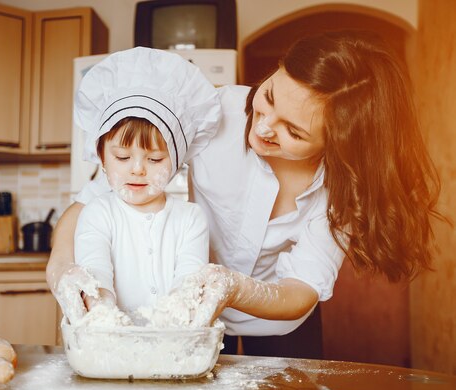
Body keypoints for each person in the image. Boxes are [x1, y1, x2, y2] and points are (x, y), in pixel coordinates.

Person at [48, 31, 444, 358]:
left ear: (337, 144)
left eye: (294, 131)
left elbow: (301, 289)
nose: (264, 126)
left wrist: (233, 287)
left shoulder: (344, 188)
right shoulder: (212, 114)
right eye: (269, 96)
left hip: (280, 322)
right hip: (189, 322)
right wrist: (65, 267)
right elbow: (92, 201)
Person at [53, 47, 221, 322]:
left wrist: (174, 319)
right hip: (109, 350)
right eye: (122, 156)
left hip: (173, 351)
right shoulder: (97, 213)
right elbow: (96, 275)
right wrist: (101, 312)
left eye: (155, 158)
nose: (138, 169)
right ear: (102, 158)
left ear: (176, 162)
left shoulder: (191, 218)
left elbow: (188, 285)